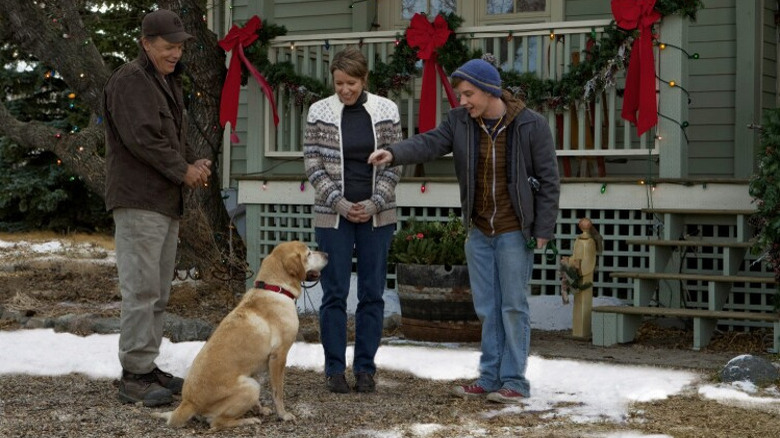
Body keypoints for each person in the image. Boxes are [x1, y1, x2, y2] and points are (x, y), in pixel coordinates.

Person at [368, 58, 560, 404]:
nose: (463, 101)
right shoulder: (460, 122)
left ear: (490, 90)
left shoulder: (531, 125)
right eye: (460, 95)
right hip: (479, 230)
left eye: (469, 94)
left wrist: (543, 227)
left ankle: (514, 380)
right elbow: (429, 143)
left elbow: (549, 180)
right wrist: (393, 153)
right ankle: (489, 377)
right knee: (487, 308)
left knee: (513, 306)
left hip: (515, 230)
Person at [103, 9, 211, 407]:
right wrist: (182, 170)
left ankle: (146, 366)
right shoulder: (131, 82)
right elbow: (143, 139)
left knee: (158, 291)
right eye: (169, 47)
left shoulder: (164, 81)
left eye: (180, 46)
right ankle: (133, 375)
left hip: (163, 202)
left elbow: (171, 138)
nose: (176, 53)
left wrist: (192, 162)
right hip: (139, 200)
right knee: (142, 290)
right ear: (147, 44)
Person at [304, 47, 403, 394]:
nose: (345, 90)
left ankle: (365, 369)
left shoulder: (386, 110)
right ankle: (334, 369)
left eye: (352, 83)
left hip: (378, 215)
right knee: (334, 293)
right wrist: (341, 204)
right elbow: (313, 164)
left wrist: (375, 203)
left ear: (364, 80)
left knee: (372, 293)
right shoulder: (319, 111)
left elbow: (396, 161)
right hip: (334, 216)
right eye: (339, 83)